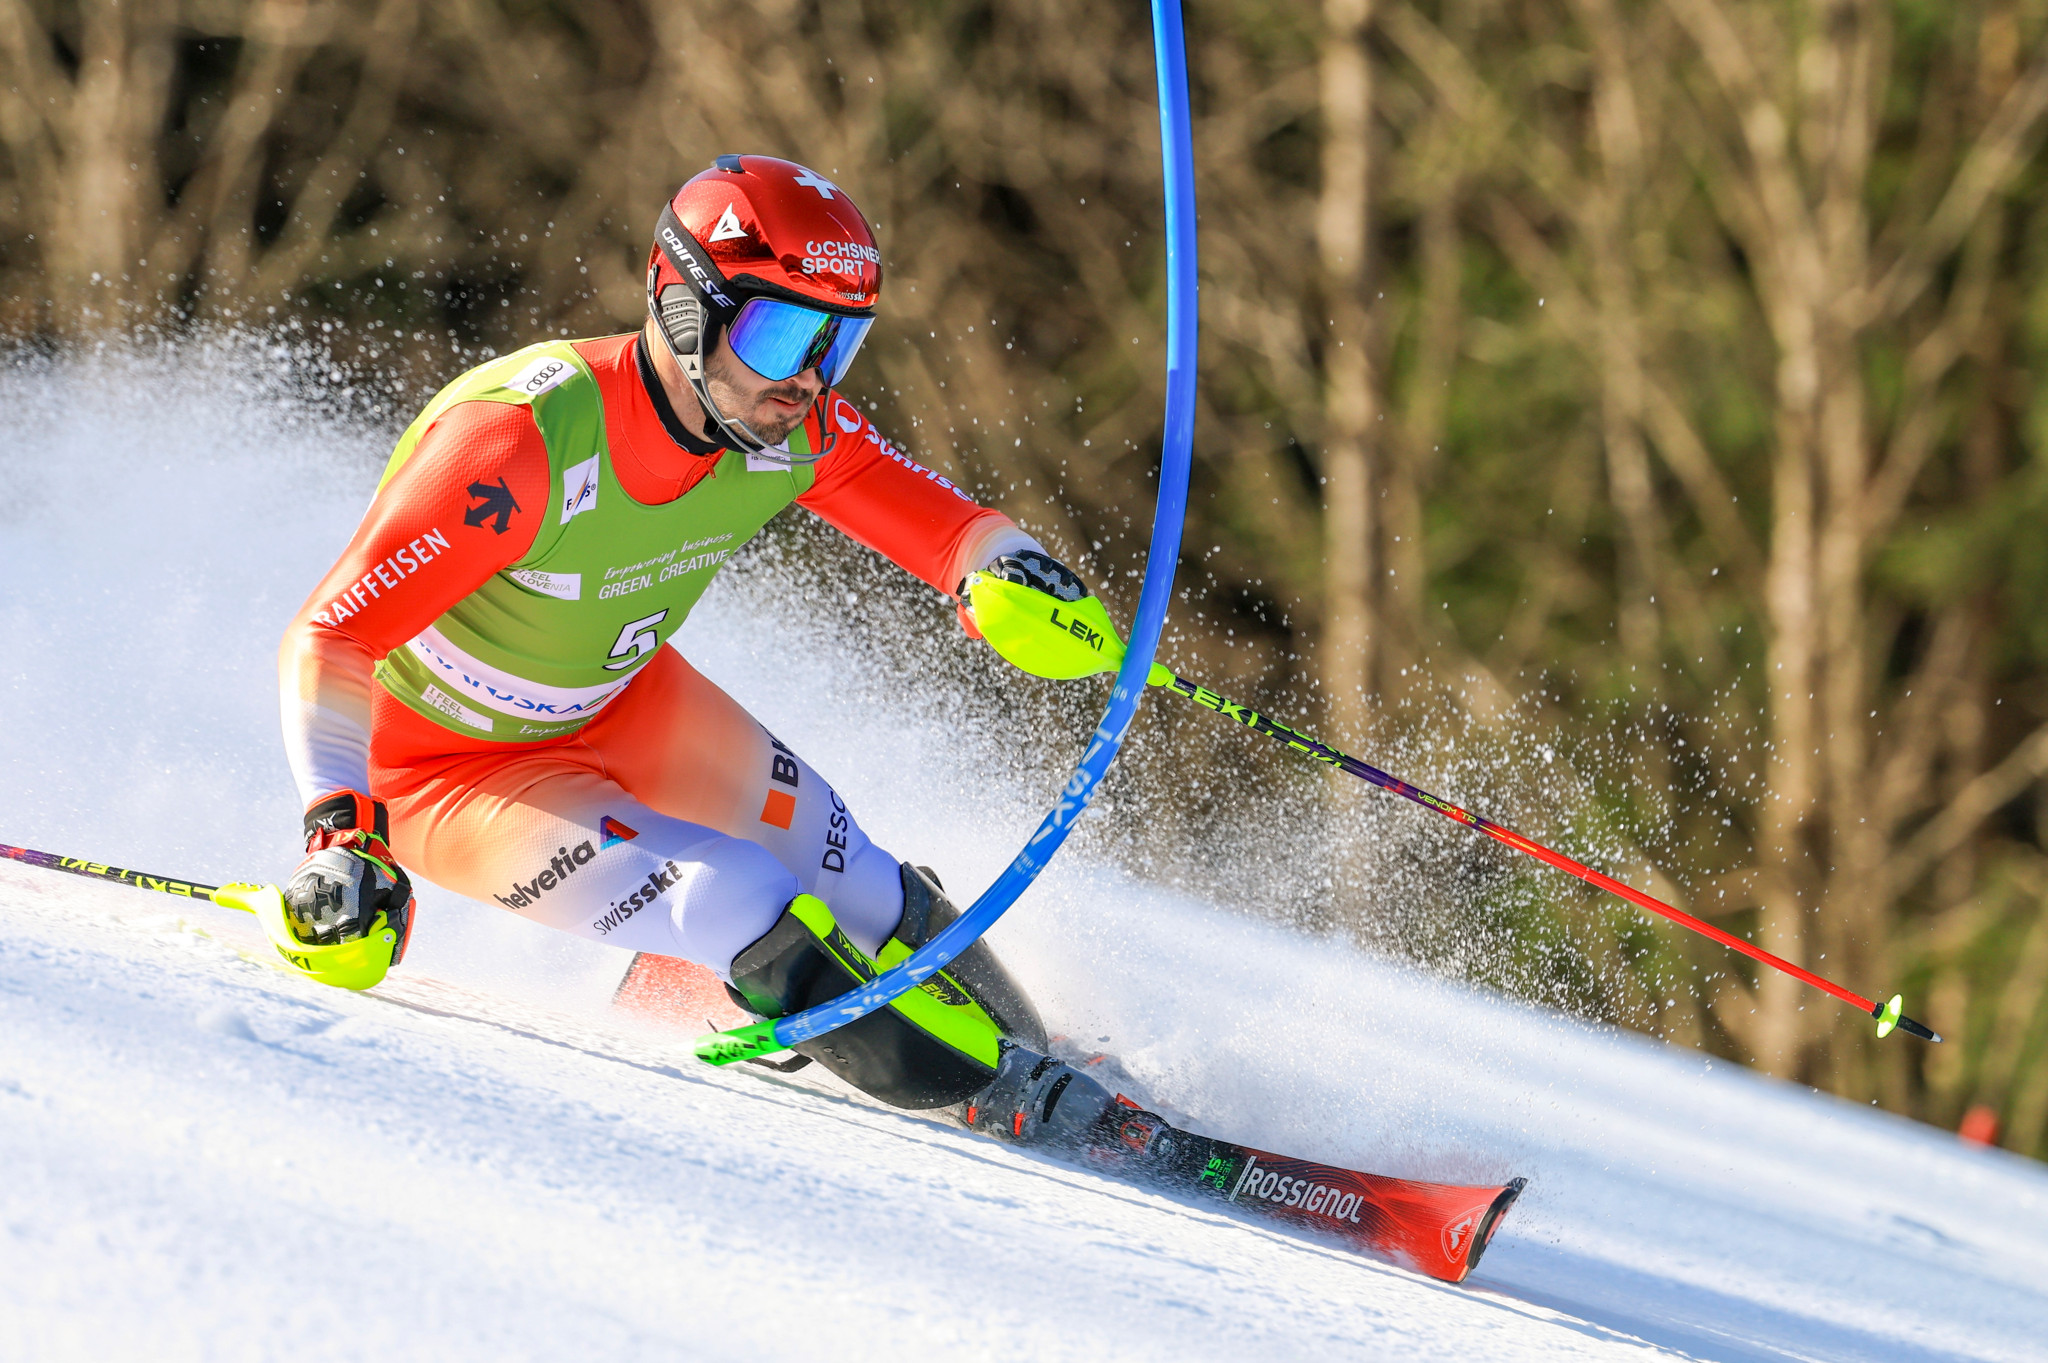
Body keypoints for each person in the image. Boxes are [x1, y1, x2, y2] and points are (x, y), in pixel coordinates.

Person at [276, 153, 1145, 1144]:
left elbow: (953, 535)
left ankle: (1033, 1055)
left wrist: (1019, 577)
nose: (809, 379)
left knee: (847, 869)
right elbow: (332, 633)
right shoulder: (519, 441)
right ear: (686, 305)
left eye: (838, 343)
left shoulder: (788, 426)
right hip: (447, 771)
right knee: (744, 894)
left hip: (622, 707)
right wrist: (337, 834)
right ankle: (999, 1095)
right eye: (780, 334)